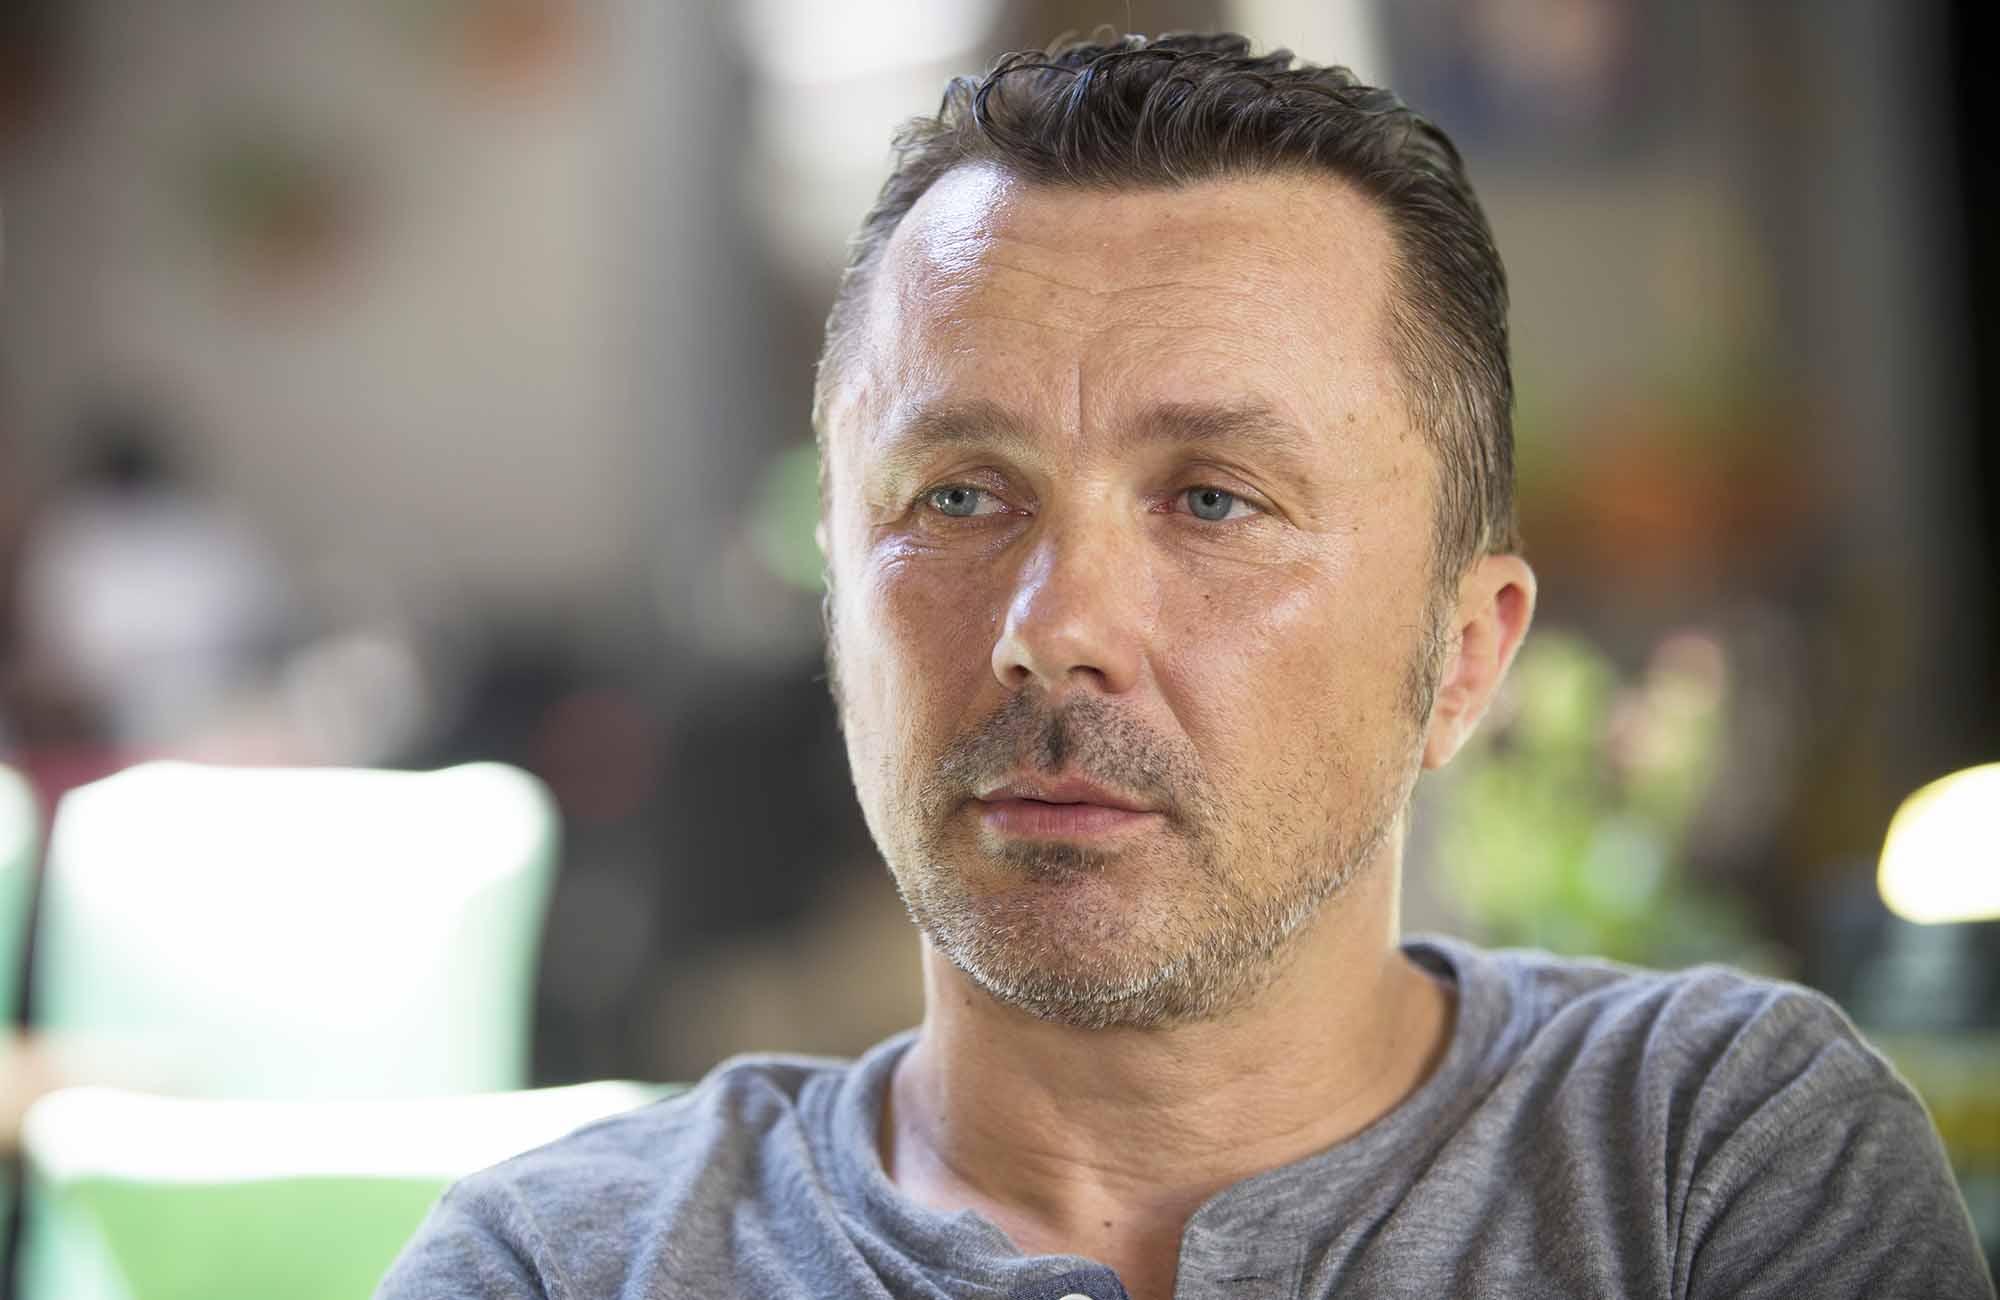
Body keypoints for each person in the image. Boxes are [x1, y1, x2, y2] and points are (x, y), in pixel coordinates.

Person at [379, 32, 1993, 1300]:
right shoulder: (564, 1266)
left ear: (1462, 658)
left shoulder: (1709, 1162)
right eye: (959, 497)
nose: (1052, 627)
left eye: (1214, 500)